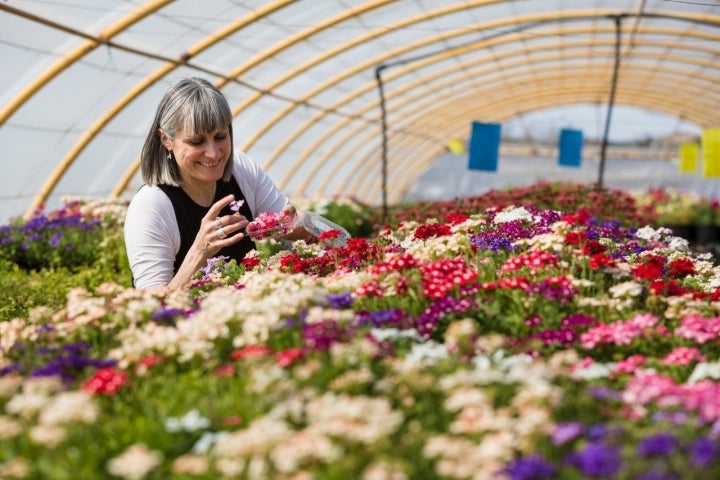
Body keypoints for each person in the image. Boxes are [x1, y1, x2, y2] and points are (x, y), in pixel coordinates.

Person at [124, 77, 314, 291]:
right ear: (166, 140)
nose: (213, 153)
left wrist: (303, 230)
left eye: (221, 136)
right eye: (196, 142)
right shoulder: (152, 205)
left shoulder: (241, 170)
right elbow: (151, 309)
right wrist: (199, 253)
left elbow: (309, 237)